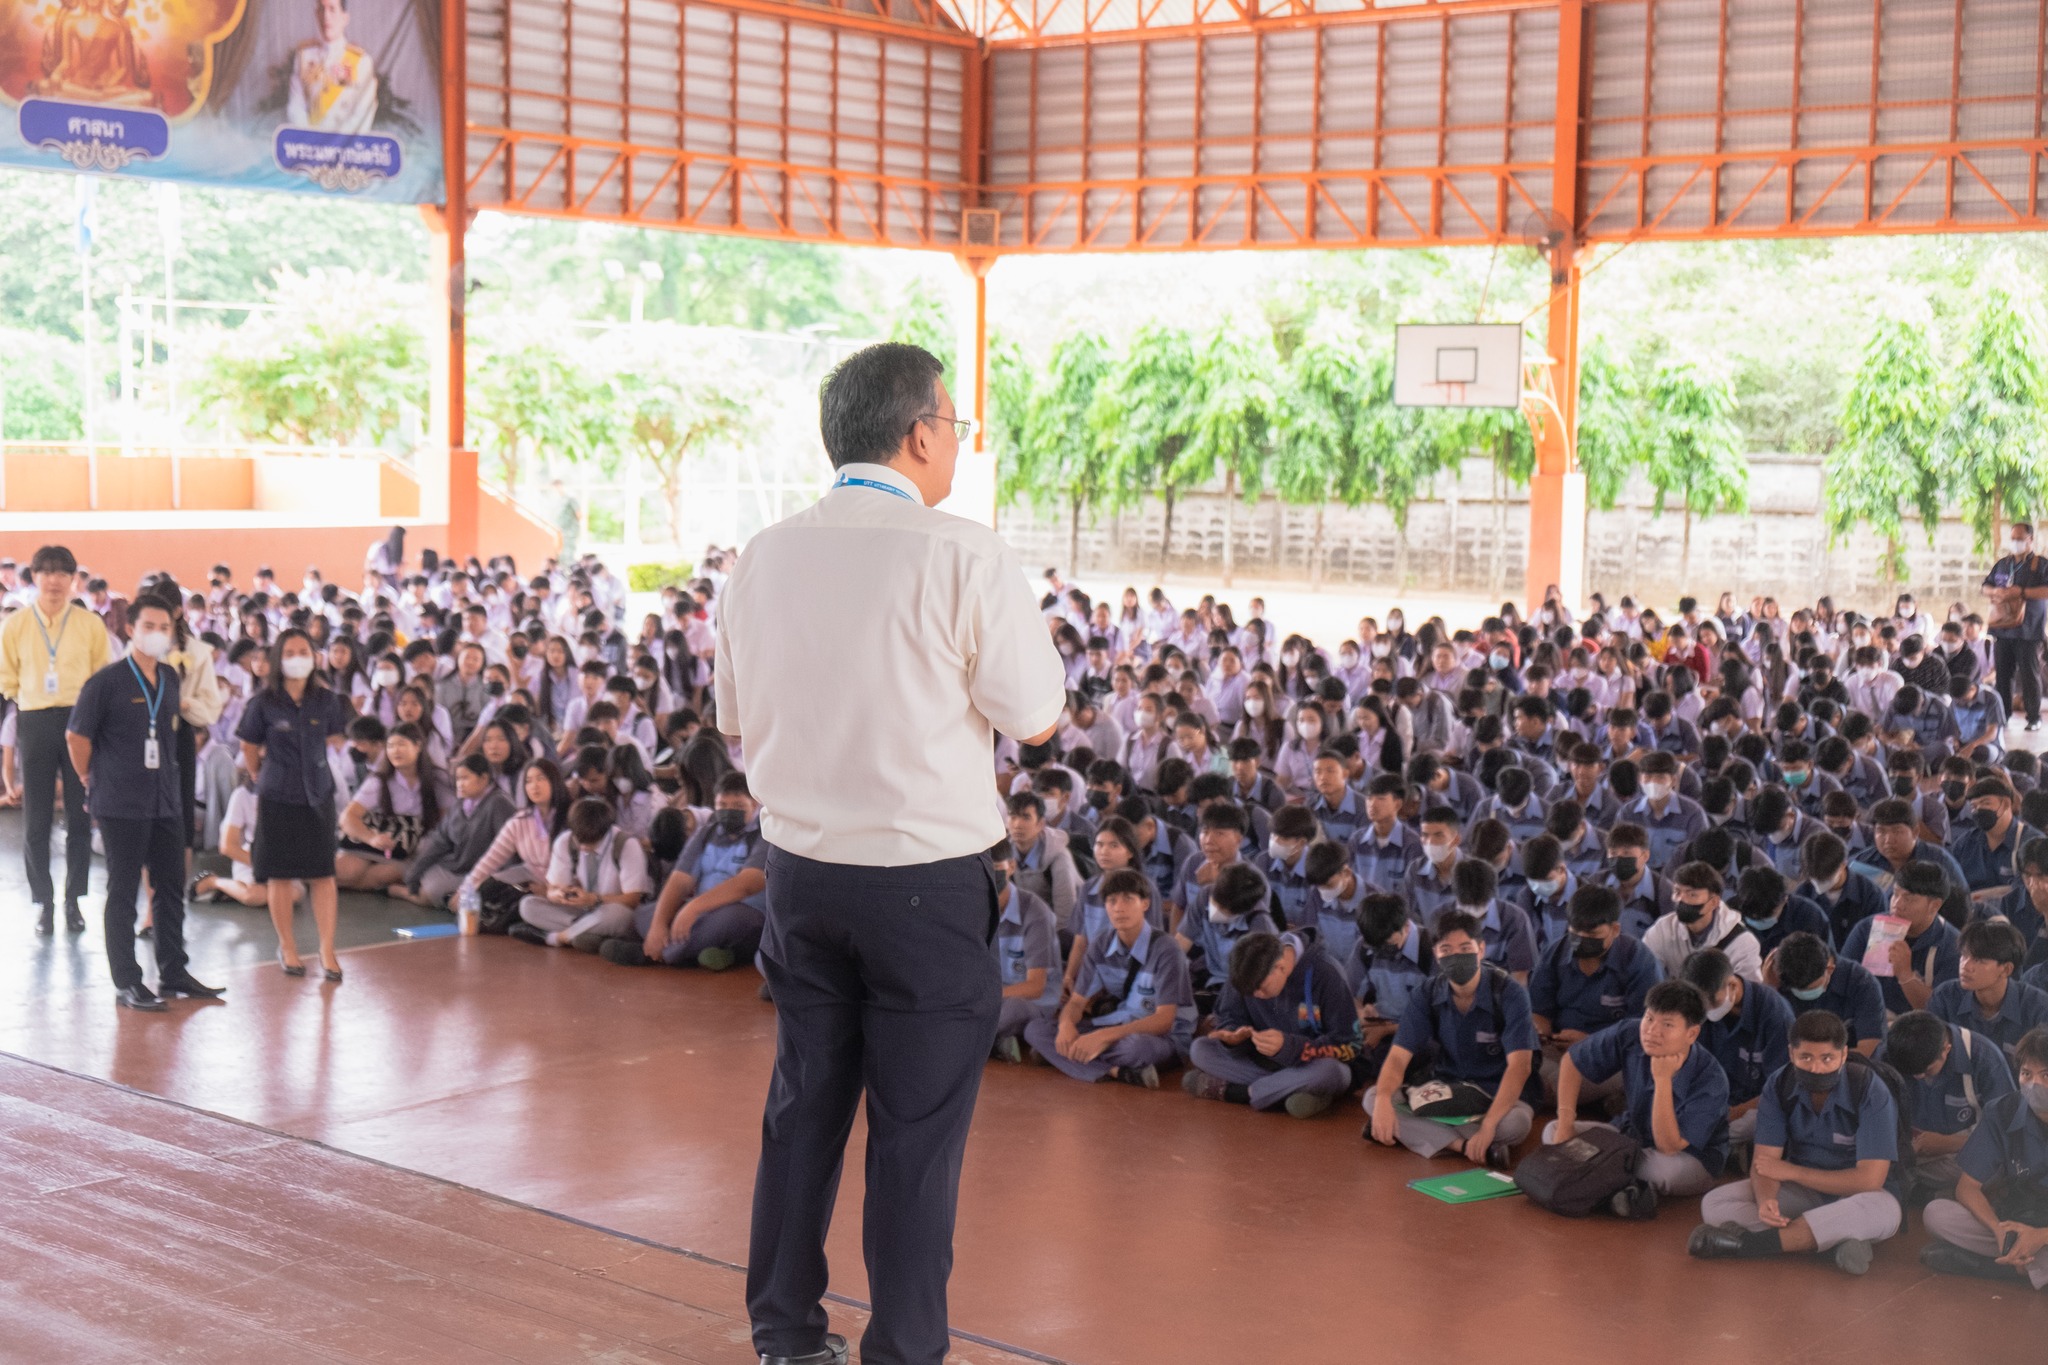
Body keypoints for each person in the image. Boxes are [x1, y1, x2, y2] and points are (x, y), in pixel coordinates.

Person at [719, 344, 1066, 1365]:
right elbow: (1035, 716)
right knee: (912, 1141)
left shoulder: (764, 553)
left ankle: (784, 1333)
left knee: (802, 1111)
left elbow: (735, 720)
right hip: (922, 889)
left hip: (799, 875)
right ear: (919, 433)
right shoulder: (959, 553)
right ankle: (902, 1352)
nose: (954, 444)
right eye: (953, 425)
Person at [63, 594, 222, 1011]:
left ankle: (173, 970)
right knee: (123, 891)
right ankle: (128, 981)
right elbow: (76, 737)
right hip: (120, 802)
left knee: (170, 886)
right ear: (130, 629)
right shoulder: (106, 682)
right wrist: (88, 777)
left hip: (164, 799)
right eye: (148, 626)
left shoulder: (170, 678)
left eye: (164, 627)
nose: (157, 634)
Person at [1689, 1010, 1905, 1276]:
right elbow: (1765, 1163)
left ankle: (1751, 1245)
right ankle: (1831, 1241)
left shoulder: (1869, 1089)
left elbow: (1869, 1180)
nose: (1816, 1068)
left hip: (1860, 1196)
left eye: (1827, 1059)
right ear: (1791, 1054)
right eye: (1805, 1057)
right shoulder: (1779, 1085)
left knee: (1882, 1212)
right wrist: (1766, 1199)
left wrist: (1793, 1172)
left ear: (1844, 1055)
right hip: (1805, 1194)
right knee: (1715, 1204)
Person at [1364, 908, 1538, 1169]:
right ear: (1436, 953)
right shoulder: (1427, 993)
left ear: (1481, 949)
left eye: (1466, 948)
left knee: (1516, 1125)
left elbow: (1520, 1067)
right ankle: (1465, 1146)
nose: (1457, 957)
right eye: (1446, 950)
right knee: (1373, 1097)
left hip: (1497, 1094)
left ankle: (1417, 1133)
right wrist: (1382, 1102)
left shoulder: (1509, 993)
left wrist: (1490, 1124)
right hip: (1447, 1088)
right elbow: (1399, 1057)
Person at [0, 545, 111, 935]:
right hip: (33, 720)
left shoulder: (89, 624)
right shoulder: (15, 625)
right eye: (45, 572)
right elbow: (5, 675)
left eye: (62, 572)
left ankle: (74, 900)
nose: (53, 580)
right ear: (35, 577)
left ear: (72, 579)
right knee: (37, 819)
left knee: (80, 816)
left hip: (79, 722)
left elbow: (102, 679)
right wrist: (25, 697)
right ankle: (44, 902)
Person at [1546, 979, 1732, 1207]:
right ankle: (1618, 1186)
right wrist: (1566, 1123)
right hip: (1630, 1139)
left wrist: (1663, 1080)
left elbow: (1668, 1146)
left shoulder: (1711, 1079)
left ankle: (1600, 1176)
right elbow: (1572, 1061)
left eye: (1667, 1025)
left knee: (1665, 1174)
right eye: (1649, 1018)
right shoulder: (1631, 1033)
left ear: (1692, 1034)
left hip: (1686, 1160)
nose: (1652, 1031)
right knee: (1554, 1129)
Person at [236, 627, 351, 983]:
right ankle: (287, 946)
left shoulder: (326, 699)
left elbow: (336, 736)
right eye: (290, 652)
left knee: (323, 875)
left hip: (318, 795)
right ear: (278, 660)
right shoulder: (262, 702)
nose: (298, 658)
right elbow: (248, 747)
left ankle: (327, 949)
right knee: (280, 875)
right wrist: (260, 774)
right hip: (277, 797)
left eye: (305, 651)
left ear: (314, 657)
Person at [1022, 868, 1195, 1088]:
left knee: (1135, 1049)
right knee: (1036, 1030)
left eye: (1128, 899)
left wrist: (1105, 1036)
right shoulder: (1101, 945)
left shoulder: (1166, 948)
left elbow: (1164, 1021)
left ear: (1145, 904)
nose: (1119, 908)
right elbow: (1076, 1002)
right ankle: (1115, 1071)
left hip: (1161, 1037)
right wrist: (1066, 1025)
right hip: (1118, 1023)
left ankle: (1068, 1056)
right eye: (1112, 901)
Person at [1919, 1025, 2048, 1289]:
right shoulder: (2002, 1111)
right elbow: (1967, 1188)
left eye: (2046, 1075)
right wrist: (1998, 1231)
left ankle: (2002, 1268)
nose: (2035, 1084)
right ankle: (2022, 1260)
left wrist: (2041, 1236)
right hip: (2020, 1218)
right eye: (2026, 1074)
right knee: (1937, 1214)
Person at [1183, 930, 1362, 1118]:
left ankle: (1239, 1093)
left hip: (1309, 1066)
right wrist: (1232, 1038)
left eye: (1261, 989)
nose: (1256, 996)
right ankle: (1291, 1092)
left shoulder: (1326, 973)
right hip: (1264, 1063)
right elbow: (1229, 1016)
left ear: (1281, 967)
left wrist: (1289, 1046)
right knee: (1200, 1049)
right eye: (1249, 992)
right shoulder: (1246, 968)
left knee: (1332, 1072)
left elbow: (1350, 1046)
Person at [611, 772, 768, 969]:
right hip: (702, 908)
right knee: (646, 913)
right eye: (723, 805)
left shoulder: (765, 834)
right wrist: (659, 924)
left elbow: (747, 884)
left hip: (744, 910)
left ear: (754, 806)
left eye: (738, 806)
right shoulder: (706, 832)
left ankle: (653, 953)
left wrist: (693, 909)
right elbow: (680, 879)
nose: (729, 811)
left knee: (729, 921)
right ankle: (710, 953)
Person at [1528, 884, 1662, 1103]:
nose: (1581, 938)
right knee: (1513, 1068)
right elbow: (1539, 1009)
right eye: (1575, 931)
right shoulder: (1555, 953)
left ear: (1615, 930)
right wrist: (1540, 1029)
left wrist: (1591, 1042)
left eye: (1591, 933)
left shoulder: (1638, 960)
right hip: (1557, 1050)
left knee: (1558, 1087)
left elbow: (1645, 1031)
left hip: (1614, 1056)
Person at [1876, 1009, 2014, 1199]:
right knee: (1871, 1165)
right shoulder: (1887, 1054)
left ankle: (1924, 1193)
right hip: (1907, 1145)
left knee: (1995, 1170)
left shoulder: (1985, 1058)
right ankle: (1932, 1193)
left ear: (1946, 1049)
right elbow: (1872, 1114)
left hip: (1964, 1147)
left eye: (1926, 1071)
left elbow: (2006, 1131)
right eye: (1911, 1073)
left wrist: (1949, 1143)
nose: (1918, 1077)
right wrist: (1903, 1147)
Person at [1839, 860, 1961, 1015]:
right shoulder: (1867, 929)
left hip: (1917, 1029)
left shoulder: (1952, 946)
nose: (1897, 904)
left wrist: (1905, 974)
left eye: (1909, 899)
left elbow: (1941, 1012)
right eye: (1895, 894)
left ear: (1935, 905)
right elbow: (1841, 984)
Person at [400, 752, 515, 908]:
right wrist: (415, 872)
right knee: (419, 862)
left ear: (484, 779)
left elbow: (510, 850)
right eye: (458, 779)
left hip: (486, 873)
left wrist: (498, 885)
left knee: (431, 892)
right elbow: (439, 841)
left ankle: (398, 891)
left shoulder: (499, 803)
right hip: (457, 867)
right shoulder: (460, 805)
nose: (459, 784)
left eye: (465, 778)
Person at [986, 842, 1062, 1060]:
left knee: (1011, 1009)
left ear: (1011, 866)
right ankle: (995, 1043)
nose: (989, 875)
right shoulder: (976, 908)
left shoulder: (1034, 911)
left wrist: (987, 997)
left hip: (1033, 1001)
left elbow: (1035, 987)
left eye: (995, 868)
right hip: (995, 994)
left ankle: (982, 1041)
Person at [1981, 520, 2047, 731]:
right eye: (2013, 538)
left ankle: (2034, 717)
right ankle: (2003, 715)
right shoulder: (2003, 563)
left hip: (2028, 629)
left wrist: (2021, 592)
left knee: (2029, 674)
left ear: (2030, 540)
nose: (2016, 542)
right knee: (2003, 675)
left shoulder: (2040, 564)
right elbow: (1985, 586)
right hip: (2003, 628)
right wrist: (1995, 592)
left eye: (2020, 539)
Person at [287, 0, 379, 133]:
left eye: (332, 9)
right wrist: (307, 138)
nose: (326, 16)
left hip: (347, 145)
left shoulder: (361, 62)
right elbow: (296, 106)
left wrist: (337, 144)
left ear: (345, 18)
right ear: (316, 14)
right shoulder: (304, 57)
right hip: (310, 144)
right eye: (322, 9)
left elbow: (362, 114)